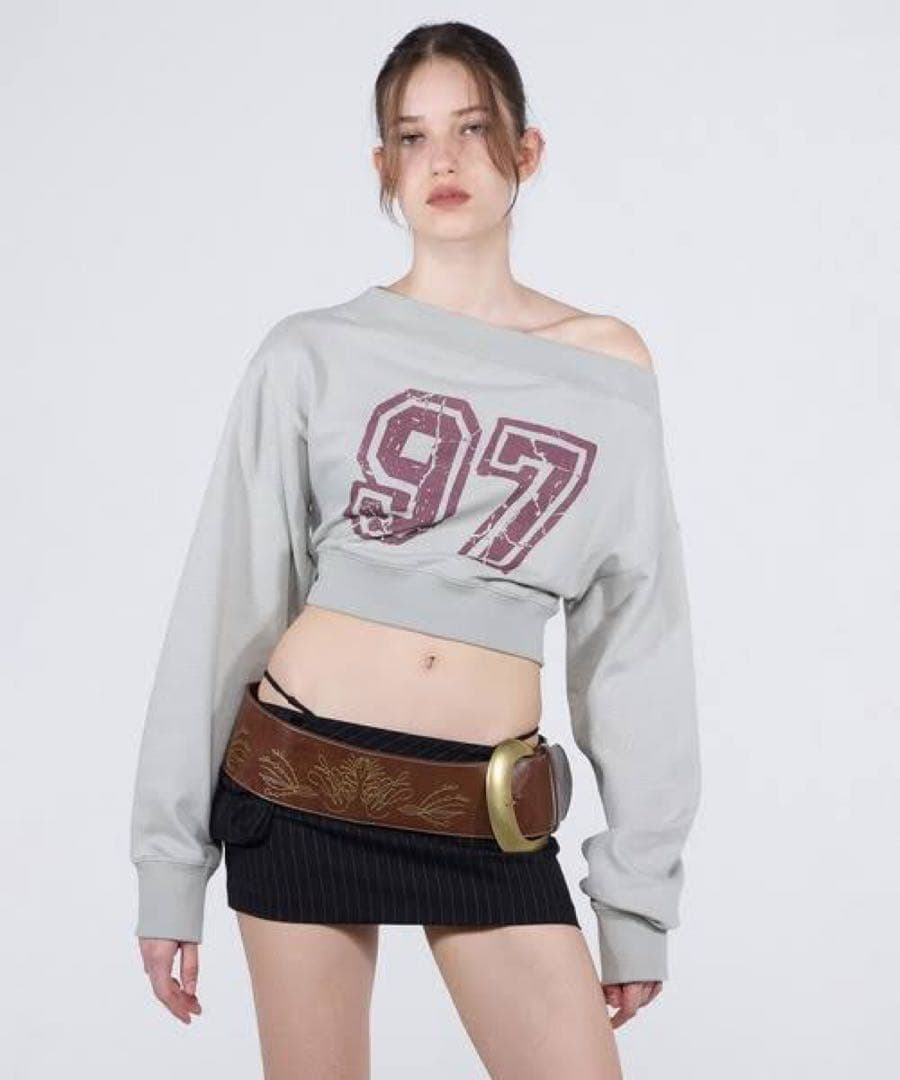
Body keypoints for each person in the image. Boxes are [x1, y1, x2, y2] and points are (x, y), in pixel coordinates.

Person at [130, 20, 701, 1080]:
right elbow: (227, 601)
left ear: (526, 151)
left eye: (473, 129)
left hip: (487, 817)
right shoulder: (311, 352)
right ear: (383, 167)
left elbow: (635, 636)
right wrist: (169, 868)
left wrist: (636, 900)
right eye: (413, 136)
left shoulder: (608, 366)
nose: (444, 159)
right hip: (297, 785)